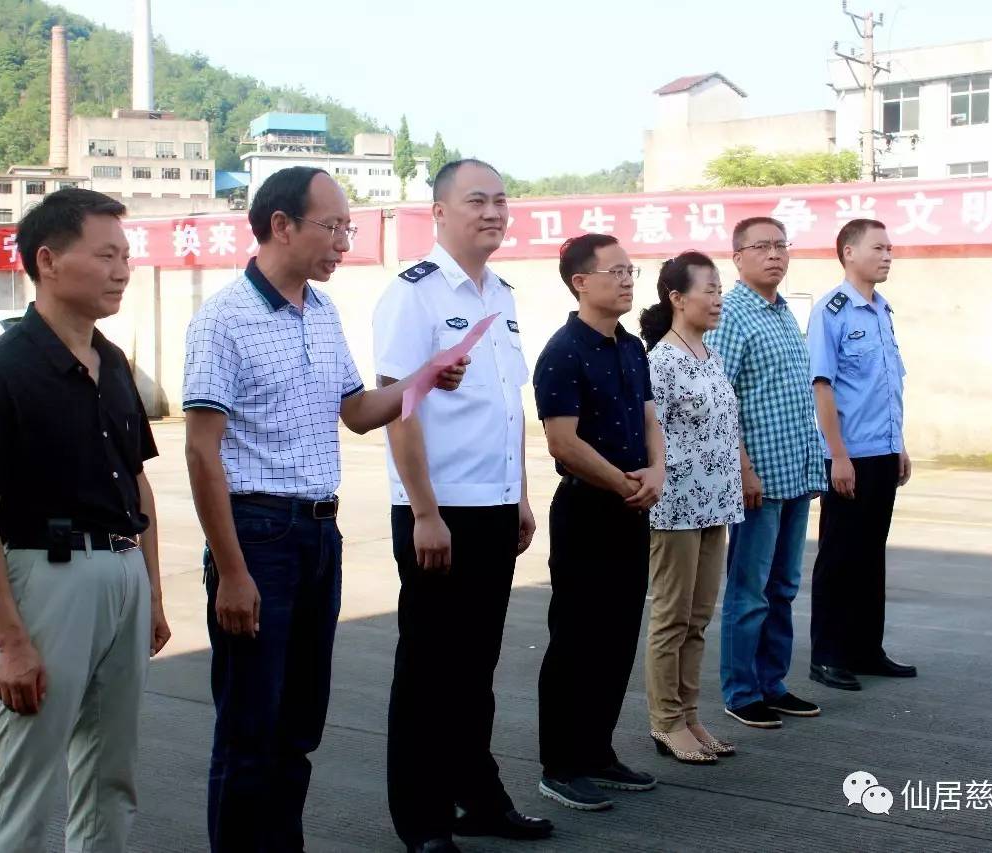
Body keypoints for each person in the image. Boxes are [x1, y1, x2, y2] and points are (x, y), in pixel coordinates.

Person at [182, 166, 467, 853]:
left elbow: (358, 412)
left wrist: (424, 378)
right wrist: (232, 570)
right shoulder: (224, 318)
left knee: (298, 726)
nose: (345, 240)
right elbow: (200, 451)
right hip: (258, 536)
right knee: (250, 729)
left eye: (349, 227)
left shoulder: (321, 309)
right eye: (334, 226)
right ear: (281, 225)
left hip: (318, 534)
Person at [0, 188, 171, 852]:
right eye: (105, 255)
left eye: (126, 256)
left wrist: (152, 589)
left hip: (123, 575)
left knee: (111, 777)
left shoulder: (116, 363)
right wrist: (12, 641)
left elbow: (140, 483)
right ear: (48, 260)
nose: (122, 270)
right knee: (28, 784)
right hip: (46, 581)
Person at [373, 159, 552, 853]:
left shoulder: (501, 294)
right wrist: (423, 511)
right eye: (477, 200)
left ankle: (477, 796)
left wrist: (521, 496)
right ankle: (420, 819)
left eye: (502, 201)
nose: (493, 213)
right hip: (437, 511)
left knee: (475, 668)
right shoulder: (412, 295)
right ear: (439, 212)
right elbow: (399, 410)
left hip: (493, 506)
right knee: (427, 668)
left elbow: (508, 408)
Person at [534, 233, 665, 811]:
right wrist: (623, 482)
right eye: (615, 271)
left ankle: (598, 751)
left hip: (633, 505)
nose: (627, 280)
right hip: (588, 509)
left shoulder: (632, 347)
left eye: (631, 270)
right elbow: (563, 442)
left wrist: (657, 470)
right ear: (580, 282)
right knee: (577, 638)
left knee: (617, 635)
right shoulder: (563, 351)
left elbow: (649, 416)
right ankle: (560, 764)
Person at [708, 217, 826, 729]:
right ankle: (740, 690)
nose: (775, 255)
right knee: (749, 590)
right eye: (762, 247)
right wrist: (742, 467)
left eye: (781, 246)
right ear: (737, 257)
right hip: (758, 479)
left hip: (796, 473)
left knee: (783, 587)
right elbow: (720, 395)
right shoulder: (732, 313)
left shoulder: (780, 313)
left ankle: (772, 683)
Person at [638, 251, 744, 764]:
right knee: (671, 618)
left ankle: (691, 715)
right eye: (710, 289)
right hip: (676, 506)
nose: (718, 298)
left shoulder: (710, 354)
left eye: (720, 288)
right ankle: (665, 722)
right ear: (677, 298)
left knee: (699, 619)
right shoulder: (662, 361)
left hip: (714, 504)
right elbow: (649, 434)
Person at [807, 218, 916, 692]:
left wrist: (900, 446)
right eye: (879, 247)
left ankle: (865, 649)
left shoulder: (882, 310)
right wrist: (838, 455)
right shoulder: (832, 312)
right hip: (849, 455)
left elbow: (887, 386)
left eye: (890, 248)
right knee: (839, 557)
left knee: (871, 556)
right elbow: (823, 386)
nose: (888, 255)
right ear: (849, 253)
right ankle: (827, 655)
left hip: (883, 452)